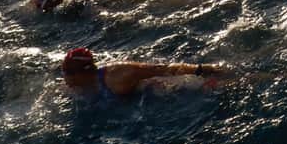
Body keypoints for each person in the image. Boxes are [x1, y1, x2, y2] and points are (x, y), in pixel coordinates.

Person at [61, 47, 229, 97]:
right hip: (138, 100)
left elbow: (164, 69)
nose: (65, 77)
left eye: (68, 72)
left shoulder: (118, 75)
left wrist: (203, 69)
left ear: (82, 73)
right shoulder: (78, 84)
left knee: (222, 87)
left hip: (162, 87)